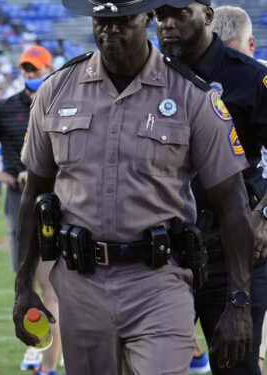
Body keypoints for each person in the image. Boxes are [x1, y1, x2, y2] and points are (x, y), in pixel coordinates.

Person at [13, 0, 255, 374]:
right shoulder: (56, 90)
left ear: (148, 17)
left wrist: (239, 300)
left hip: (159, 282)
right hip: (81, 285)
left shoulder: (192, 95)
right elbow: (34, 194)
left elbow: (234, 202)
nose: (111, 29)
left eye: (123, 20)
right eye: (102, 20)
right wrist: (22, 287)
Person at [155, 1, 267, 373]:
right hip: (160, 257)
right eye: (160, 16)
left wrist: (264, 213)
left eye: (179, 14)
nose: (168, 25)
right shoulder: (146, 79)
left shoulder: (250, 78)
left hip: (230, 254)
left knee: (235, 366)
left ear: (206, 15)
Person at [0, 45, 62, 374]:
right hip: (21, 200)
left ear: (49, 68)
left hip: (58, 199)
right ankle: (44, 351)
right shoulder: (4, 109)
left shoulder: (64, 101)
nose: (31, 75)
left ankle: (48, 360)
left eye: (36, 69)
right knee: (26, 276)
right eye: (27, 70)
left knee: (52, 284)